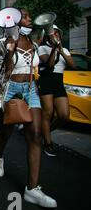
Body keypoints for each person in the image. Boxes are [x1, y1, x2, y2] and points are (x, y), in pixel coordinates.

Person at [0, 8, 57, 208]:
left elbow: (42, 65)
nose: (30, 19)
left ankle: (32, 189)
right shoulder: (1, 43)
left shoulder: (33, 43)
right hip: (10, 89)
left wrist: (55, 45)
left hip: (30, 88)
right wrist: (10, 49)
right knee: (6, 130)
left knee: (35, 134)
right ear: (15, 21)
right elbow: (4, 72)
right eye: (25, 17)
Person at [38, 25, 75, 157]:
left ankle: (44, 131)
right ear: (47, 36)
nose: (56, 35)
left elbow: (72, 65)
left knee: (64, 115)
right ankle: (48, 143)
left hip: (59, 83)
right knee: (47, 113)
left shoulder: (64, 49)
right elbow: (50, 65)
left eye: (57, 33)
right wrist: (54, 49)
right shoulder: (42, 48)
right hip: (46, 81)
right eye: (52, 34)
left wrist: (61, 50)